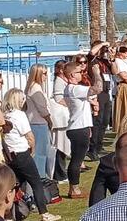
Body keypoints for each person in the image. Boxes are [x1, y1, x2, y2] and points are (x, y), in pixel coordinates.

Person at [4, 89, 59, 221]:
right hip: (21, 152)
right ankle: (44, 213)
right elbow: (29, 136)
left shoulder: (6, 115)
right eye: (22, 99)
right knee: (36, 183)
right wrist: (32, 149)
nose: (24, 101)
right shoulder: (19, 115)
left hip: (10, 154)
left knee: (15, 184)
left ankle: (9, 216)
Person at [57, 59, 94, 201]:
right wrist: (95, 72)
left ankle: (74, 187)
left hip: (77, 126)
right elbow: (96, 88)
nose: (82, 74)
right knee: (77, 160)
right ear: (72, 75)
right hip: (78, 128)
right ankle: (74, 188)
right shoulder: (75, 88)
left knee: (75, 159)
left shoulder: (70, 89)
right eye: (79, 72)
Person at [24, 64, 55, 185]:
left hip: (35, 122)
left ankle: (40, 176)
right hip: (38, 123)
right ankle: (41, 177)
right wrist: (49, 120)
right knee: (41, 153)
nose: (46, 76)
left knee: (40, 152)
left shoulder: (31, 87)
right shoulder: (36, 89)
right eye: (44, 73)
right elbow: (42, 109)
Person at [90, 42, 116, 161]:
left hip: (106, 93)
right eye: (103, 49)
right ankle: (93, 149)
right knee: (97, 122)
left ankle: (99, 147)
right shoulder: (92, 60)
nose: (104, 51)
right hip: (97, 93)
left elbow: (115, 71)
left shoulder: (105, 62)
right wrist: (103, 44)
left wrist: (112, 58)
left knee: (104, 122)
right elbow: (91, 53)